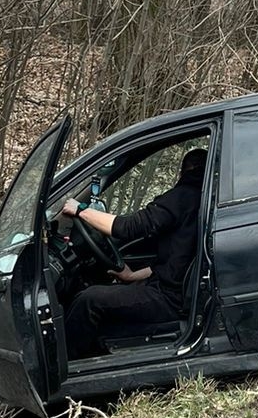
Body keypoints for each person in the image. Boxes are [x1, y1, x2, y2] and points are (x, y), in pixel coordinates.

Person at [59, 148, 206, 358]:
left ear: (184, 171)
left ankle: (66, 367)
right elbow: (174, 264)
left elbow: (130, 227)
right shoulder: (199, 200)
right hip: (173, 291)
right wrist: (131, 276)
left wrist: (80, 209)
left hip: (169, 298)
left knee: (89, 300)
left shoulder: (182, 197)